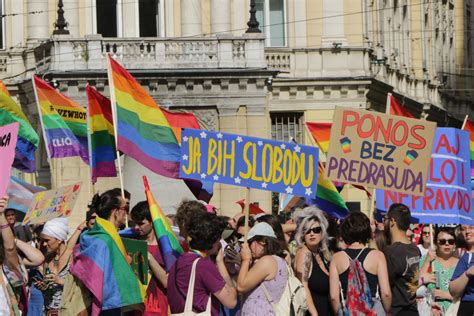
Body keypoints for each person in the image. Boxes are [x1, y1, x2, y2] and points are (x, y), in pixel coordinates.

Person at [68, 188, 143, 315]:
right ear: (115, 211)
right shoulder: (106, 240)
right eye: (125, 208)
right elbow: (98, 279)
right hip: (109, 306)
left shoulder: (95, 235)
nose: (127, 213)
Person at [168, 205, 237, 315]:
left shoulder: (179, 260)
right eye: (219, 238)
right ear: (213, 240)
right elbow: (231, 301)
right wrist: (220, 264)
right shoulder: (203, 265)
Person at [329, 212, 391, 315]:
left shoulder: (336, 258)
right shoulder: (378, 256)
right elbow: (386, 293)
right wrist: (387, 311)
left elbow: (334, 297)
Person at [237, 222, 289, 316]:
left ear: (262, 242)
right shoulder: (276, 260)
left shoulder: (267, 261)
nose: (247, 247)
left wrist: (246, 260)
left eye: (249, 242)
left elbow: (241, 286)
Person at [130, 201, 169, 316]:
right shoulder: (132, 243)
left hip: (160, 309)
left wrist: (150, 258)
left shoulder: (166, 246)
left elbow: (167, 282)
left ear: (152, 222)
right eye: (134, 223)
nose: (136, 227)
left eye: (141, 223)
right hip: (137, 309)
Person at [293, 206, 333, 316]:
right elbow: (303, 286)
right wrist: (314, 314)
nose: (312, 234)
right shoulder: (304, 253)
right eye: (307, 231)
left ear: (322, 232)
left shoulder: (320, 253)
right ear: (302, 235)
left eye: (316, 230)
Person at [383, 203, 420, 315]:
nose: (384, 222)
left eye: (385, 219)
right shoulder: (414, 249)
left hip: (397, 311)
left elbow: (385, 289)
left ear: (393, 221)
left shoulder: (392, 252)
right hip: (413, 310)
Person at [33, 217, 72, 314]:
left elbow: (80, 287)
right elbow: (50, 292)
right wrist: (43, 287)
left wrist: (59, 280)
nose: (44, 244)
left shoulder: (73, 257)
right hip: (48, 311)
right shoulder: (47, 258)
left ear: (59, 239)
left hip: (67, 311)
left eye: (47, 240)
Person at [417, 227, 458, 315]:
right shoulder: (427, 260)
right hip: (431, 311)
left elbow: (466, 295)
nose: (447, 244)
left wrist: (447, 295)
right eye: (442, 241)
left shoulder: (461, 264)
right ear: (436, 243)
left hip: (454, 311)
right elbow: (416, 284)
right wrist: (428, 259)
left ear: (455, 244)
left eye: (451, 241)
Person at [449, 225, 474, 315]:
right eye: (463, 229)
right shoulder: (466, 257)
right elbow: (453, 290)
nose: (467, 232)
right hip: (469, 306)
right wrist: (467, 273)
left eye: (471, 227)